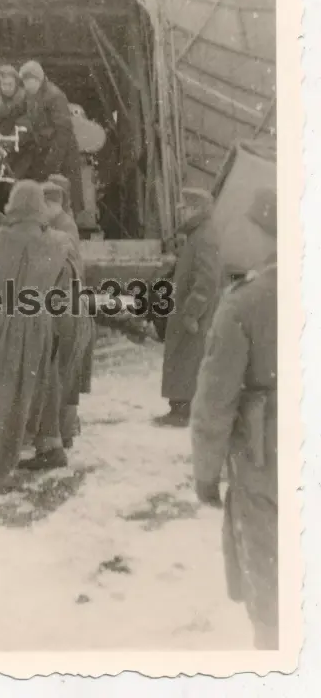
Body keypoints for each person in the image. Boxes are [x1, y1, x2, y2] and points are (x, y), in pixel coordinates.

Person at [190, 186, 278, 650]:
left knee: (271, 586)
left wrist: (206, 472)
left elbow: (215, 398)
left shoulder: (244, 302)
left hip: (266, 460)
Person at [0, 180, 75, 494]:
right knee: (41, 384)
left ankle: (0, 472)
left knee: (1, 393)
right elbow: (64, 292)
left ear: (12, 205)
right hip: (39, 323)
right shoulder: (61, 242)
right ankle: (51, 447)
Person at [153, 187, 223, 427]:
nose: (181, 214)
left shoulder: (204, 236)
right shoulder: (199, 234)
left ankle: (183, 410)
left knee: (188, 360)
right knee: (185, 359)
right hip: (187, 311)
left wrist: (192, 311)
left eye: (185, 209)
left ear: (196, 209)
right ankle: (180, 407)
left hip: (193, 315)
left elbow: (207, 280)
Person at [38, 178, 96, 452]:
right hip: (74, 309)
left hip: (67, 310)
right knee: (68, 377)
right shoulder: (62, 224)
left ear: (51, 204)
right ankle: (67, 431)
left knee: (61, 376)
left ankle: (61, 434)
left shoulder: (61, 231)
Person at [17, 60, 86, 219]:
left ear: (37, 79)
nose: (26, 86)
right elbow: (21, 111)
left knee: (67, 199)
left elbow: (64, 133)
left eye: (28, 82)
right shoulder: (31, 94)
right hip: (46, 150)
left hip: (63, 154)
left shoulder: (55, 96)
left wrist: (52, 162)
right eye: (24, 82)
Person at [0, 64, 27, 136]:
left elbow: (5, 110)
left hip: (17, 135)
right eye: (3, 84)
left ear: (16, 83)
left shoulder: (22, 96)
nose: (6, 88)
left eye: (10, 84)